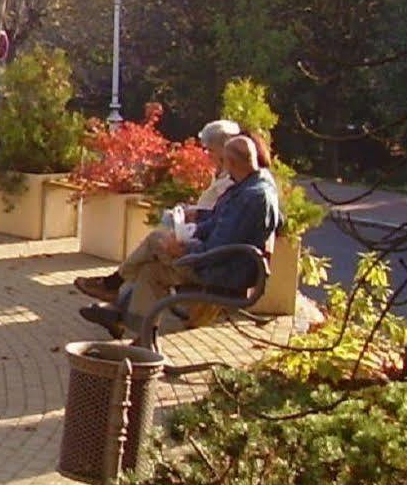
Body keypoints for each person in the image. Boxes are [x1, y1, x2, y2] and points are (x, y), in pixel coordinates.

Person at [79, 134, 281, 339]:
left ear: (231, 162)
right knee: (151, 273)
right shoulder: (254, 185)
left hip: (220, 272)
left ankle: (114, 285)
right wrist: (197, 220)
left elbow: (220, 247)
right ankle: (141, 337)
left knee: (156, 240)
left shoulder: (251, 197)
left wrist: (185, 249)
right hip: (224, 263)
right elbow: (220, 223)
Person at [73, 119, 243, 305]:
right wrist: (191, 213)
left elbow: (218, 226)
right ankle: (119, 306)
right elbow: (214, 216)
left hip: (205, 258)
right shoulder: (226, 177)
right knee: (149, 266)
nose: (206, 154)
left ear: (223, 150)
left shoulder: (234, 185)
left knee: (154, 243)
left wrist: (187, 240)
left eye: (210, 150)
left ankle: (114, 284)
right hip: (200, 243)